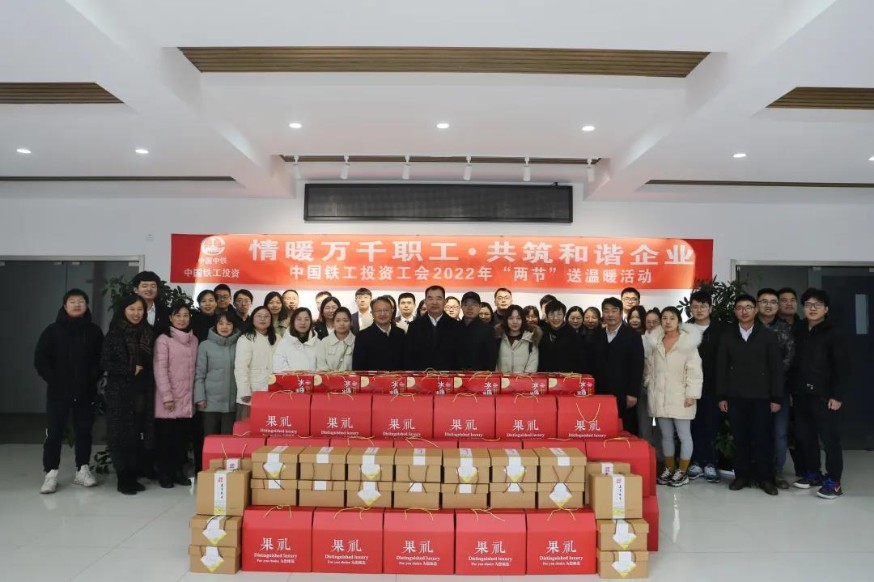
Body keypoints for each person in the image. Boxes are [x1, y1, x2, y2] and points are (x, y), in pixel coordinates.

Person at [34, 288, 104, 494]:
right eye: (72, 301)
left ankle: (82, 469)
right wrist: (55, 380)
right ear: (65, 306)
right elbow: (40, 359)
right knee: (54, 432)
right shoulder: (52, 331)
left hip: (85, 391)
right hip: (58, 392)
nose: (76, 305)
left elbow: (101, 359)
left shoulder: (94, 331)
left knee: (84, 431)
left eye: (81, 301)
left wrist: (91, 379)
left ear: (86, 305)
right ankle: (51, 472)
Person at [716, 294, 783, 496]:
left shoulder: (768, 335)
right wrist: (721, 396)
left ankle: (766, 478)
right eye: (739, 308)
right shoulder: (727, 336)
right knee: (740, 438)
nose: (744, 311)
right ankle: (741, 476)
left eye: (748, 307)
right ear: (735, 312)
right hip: (735, 396)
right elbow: (721, 368)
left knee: (763, 438)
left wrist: (776, 398)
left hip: (762, 397)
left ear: (755, 310)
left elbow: (776, 369)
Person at [791, 288, 850, 499]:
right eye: (808, 304)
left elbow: (842, 366)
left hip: (825, 396)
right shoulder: (798, 329)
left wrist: (837, 395)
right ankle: (813, 473)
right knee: (806, 437)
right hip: (801, 394)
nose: (812, 308)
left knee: (830, 440)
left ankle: (834, 481)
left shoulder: (835, 332)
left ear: (826, 309)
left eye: (817, 305)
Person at [100, 295, 154, 495]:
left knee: (135, 433)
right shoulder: (115, 333)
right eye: (132, 309)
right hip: (119, 391)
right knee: (119, 435)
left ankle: (132, 473)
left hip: (142, 390)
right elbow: (105, 362)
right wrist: (130, 368)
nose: (136, 313)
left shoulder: (148, 332)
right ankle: (123, 478)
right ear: (123, 310)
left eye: (140, 309)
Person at [645, 307, 703, 488]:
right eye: (664, 318)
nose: (668, 321)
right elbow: (649, 368)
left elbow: (695, 371)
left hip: (681, 397)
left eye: (672, 318)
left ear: (679, 321)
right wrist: (648, 384)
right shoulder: (655, 342)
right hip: (660, 397)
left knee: (684, 435)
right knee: (666, 435)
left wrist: (692, 394)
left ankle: (682, 471)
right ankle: (669, 468)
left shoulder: (687, 343)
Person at [152, 301, 198, 488]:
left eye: (185, 315)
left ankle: (179, 472)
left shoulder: (194, 340)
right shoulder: (163, 340)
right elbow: (160, 369)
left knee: (181, 440)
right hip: (168, 399)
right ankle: (165, 474)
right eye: (178, 315)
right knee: (166, 439)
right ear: (170, 318)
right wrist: (167, 397)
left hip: (187, 398)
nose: (182, 319)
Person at [757, 287, 796, 488]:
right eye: (764, 301)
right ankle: (758, 471)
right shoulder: (748, 326)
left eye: (773, 302)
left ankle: (777, 471)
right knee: (756, 432)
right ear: (757, 305)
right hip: (752, 390)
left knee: (779, 433)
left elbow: (789, 357)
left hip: (779, 389)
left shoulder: (784, 328)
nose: (768, 305)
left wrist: (772, 377)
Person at [685, 291, 724, 483]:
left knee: (711, 425)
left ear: (710, 308)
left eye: (703, 306)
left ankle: (710, 462)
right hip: (689, 387)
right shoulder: (684, 329)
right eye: (695, 306)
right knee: (692, 425)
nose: (699, 310)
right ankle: (695, 462)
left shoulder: (721, 330)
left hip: (713, 386)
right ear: (690, 308)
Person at [592, 297, 644, 435]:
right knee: (601, 426)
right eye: (606, 311)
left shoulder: (633, 336)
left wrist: (633, 393)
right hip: (600, 392)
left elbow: (637, 366)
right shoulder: (596, 335)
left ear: (621, 313)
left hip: (624, 393)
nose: (610, 314)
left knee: (625, 429)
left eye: (614, 311)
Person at [194, 312, 240, 437]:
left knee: (228, 441)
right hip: (209, 403)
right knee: (210, 439)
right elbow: (199, 374)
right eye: (220, 323)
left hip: (231, 403)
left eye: (228, 324)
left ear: (233, 326)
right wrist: (200, 397)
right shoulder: (205, 345)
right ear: (215, 325)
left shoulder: (240, 345)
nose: (224, 327)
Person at [234, 306, 277, 420]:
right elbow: (241, 367)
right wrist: (244, 391)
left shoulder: (277, 338)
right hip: (252, 391)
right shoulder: (245, 338)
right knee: (249, 426)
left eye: (266, 316)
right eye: (259, 316)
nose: (263, 319)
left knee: (270, 423)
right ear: (252, 318)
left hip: (273, 390)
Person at [405, 285, 463, 370]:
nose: (434, 302)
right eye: (430, 298)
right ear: (425, 301)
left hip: (448, 376)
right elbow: (409, 357)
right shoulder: (414, 326)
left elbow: (460, 357)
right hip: (421, 376)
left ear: (444, 302)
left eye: (439, 298)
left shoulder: (456, 326)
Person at [352, 296, 406, 371]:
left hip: (397, 378)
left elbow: (405, 362)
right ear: (372, 313)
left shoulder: (400, 333)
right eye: (378, 311)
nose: (382, 314)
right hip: (372, 378)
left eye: (386, 310)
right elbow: (358, 367)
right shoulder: (362, 336)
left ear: (392, 311)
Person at [538, 300, 587, 374]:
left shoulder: (572, 334)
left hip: (566, 376)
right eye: (552, 314)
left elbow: (578, 360)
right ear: (547, 316)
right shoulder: (541, 332)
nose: (555, 318)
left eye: (559, 314)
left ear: (564, 315)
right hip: (544, 376)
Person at [459, 291, 499, 371]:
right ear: (461, 306)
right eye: (466, 304)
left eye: (474, 304)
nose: (470, 308)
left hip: (479, 376)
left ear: (480, 307)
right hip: (455, 375)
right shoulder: (454, 328)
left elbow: (491, 360)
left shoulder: (488, 330)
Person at [496, 304, 541, 373]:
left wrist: (522, 379)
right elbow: (494, 365)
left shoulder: (531, 339)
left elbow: (532, 367)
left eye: (518, 318)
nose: (515, 322)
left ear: (523, 320)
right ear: (506, 320)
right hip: (501, 379)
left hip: (524, 379)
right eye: (511, 318)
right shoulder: (498, 338)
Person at [274, 307, 319, 372]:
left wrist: (311, 376)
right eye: (299, 319)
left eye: (306, 319)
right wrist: (295, 376)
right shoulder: (283, 343)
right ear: (293, 321)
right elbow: (279, 366)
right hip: (290, 378)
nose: (303, 323)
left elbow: (322, 366)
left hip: (313, 378)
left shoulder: (318, 343)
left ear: (310, 322)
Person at [315, 306, 356, 372]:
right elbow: (321, 366)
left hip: (351, 378)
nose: (342, 324)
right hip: (328, 378)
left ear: (351, 322)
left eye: (345, 320)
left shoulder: (357, 342)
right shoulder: (324, 342)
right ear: (333, 323)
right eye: (338, 320)